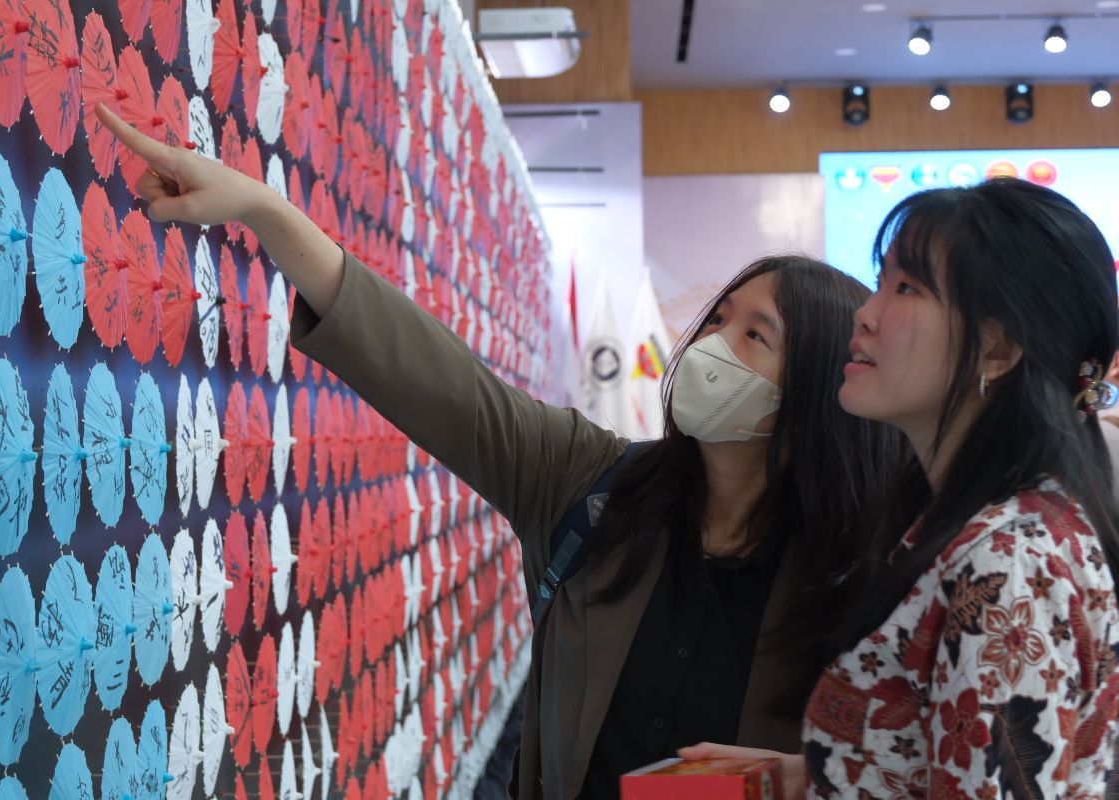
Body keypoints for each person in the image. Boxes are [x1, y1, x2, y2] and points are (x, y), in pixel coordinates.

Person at [93, 104, 902, 798]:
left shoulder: (856, 580)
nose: (712, 345)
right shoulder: (595, 488)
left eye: (754, 336)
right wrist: (265, 210)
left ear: (817, 400)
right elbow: (434, 378)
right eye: (719, 318)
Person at [683, 178, 1119, 798]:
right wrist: (809, 776)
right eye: (882, 282)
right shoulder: (966, 527)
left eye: (907, 288)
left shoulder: (1008, 563)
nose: (866, 313)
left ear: (995, 349)